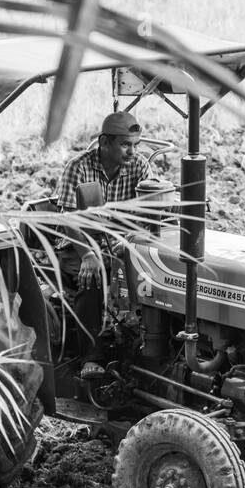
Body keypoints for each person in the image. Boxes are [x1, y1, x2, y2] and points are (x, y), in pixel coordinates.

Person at [56, 111, 150, 379]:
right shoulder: (79, 167)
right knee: (91, 278)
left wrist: (128, 241)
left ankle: (142, 345)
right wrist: (88, 255)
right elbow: (69, 220)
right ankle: (91, 358)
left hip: (121, 242)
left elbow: (147, 212)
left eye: (135, 145)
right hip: (80, 242)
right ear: (104, 143)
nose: (132, 151)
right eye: (125, 144)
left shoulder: (139, 167)